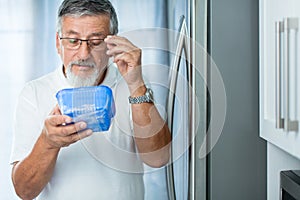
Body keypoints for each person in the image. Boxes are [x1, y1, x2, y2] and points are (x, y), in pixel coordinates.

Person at [10, 0, 171, 199]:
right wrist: (48, 142)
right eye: (73, 40)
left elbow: (159, 158)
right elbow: (24, 191)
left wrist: (136, 83)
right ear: (58, 43)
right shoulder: (34, 93)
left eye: (96, 42)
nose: (84, 54)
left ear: (113, 44)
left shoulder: (133, 83)